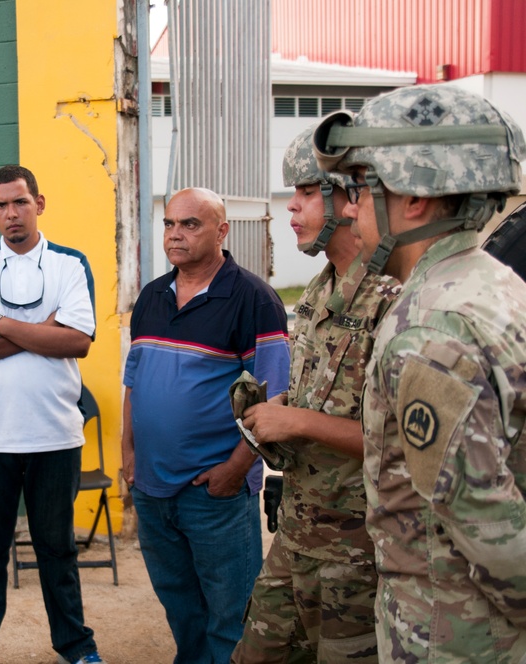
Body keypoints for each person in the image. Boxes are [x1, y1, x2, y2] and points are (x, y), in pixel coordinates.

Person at [313, 83, 526, 662]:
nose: (351, 208)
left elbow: (485, 522)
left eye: (361, 187)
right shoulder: (495, 283)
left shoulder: (432, 329)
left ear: (415, 200)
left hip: (456, 634)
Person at [231, 127, 399, 663]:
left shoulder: (391, 300)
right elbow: (323, 396)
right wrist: (280, 410)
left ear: (349, 200)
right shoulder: (319, 290)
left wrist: (298, 423)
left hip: (357, 555)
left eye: (304, 194)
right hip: (299, 535)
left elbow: (400, 445)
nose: (292, 209)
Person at [121, 187, 290, 664]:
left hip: (213, 491)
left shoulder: (253, 299)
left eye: (190, 224)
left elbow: (273, 397)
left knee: (231, 615)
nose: (175, 234)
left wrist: (235, 469)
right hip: (152, 489)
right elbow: (134, 382)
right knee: (180, 605)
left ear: (221, 231)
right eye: (170, 224)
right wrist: (128, 455)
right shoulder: (152, 296)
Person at [0, 165, 104, 664]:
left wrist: (1, 324)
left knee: (57, 552)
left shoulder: (69, 265)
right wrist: (42, 330)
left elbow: (77, 341)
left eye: (21, 202)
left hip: (55, 437)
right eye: (2, 206)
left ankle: (76, 646)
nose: (13, 214)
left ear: (40, 202)